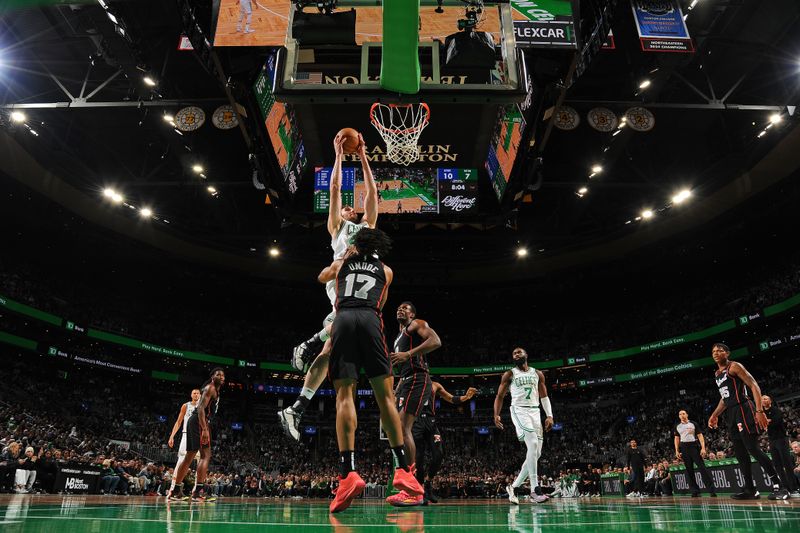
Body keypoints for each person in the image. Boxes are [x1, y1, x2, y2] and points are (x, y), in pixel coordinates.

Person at [280, 132, 378, 440]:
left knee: (331, 349)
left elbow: (373, 194)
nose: (350, 207)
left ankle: (295, 408)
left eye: (352, 207)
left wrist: (363, 155)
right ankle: (307, 343)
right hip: (341, 280)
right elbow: (335, 188)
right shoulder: (337, 228)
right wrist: (338, 154)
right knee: (345, 321)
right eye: (346, 208)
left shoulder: (368, 229)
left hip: (360, 283)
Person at [317, 228, 423, 513]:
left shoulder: (341, 263)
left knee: (344, 397)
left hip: (343, 319)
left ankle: (347, 473)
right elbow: (382, 302)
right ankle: (403, 469)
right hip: (370, 319)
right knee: (386, 397)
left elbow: (322, 277)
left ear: (355, 245)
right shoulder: (386, 270)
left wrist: (343, 256)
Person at [707, 343, 788, 500]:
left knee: (753, 448)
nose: (716, 353)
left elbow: (754, 385)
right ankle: (750, 489)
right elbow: (724, 399)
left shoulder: (734, 366)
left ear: (727, 353)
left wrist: (759, 411)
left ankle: (780, 486)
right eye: (713, 351)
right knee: (740, 453)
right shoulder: (717, 374)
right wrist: (714, 414)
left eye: (720, 350)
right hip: (731, 412)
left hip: (744, 409)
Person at [386, 302, 442, 507]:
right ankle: (410, 487)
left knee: (403, 428)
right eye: (398, 307)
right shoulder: (398, 337)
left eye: (405, 308)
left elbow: (436, 341)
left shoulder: (415, 325)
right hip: (408, 380)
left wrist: (408, 354)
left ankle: (413, 489)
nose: (400, 309)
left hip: (419, 379)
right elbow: (403, 366)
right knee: (400, 430)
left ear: (412, 314)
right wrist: (396, 389)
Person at [494, 347, 554, 505]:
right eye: (513, 353)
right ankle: (535, 489)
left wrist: (549, 415)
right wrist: (496, 414)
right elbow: (500, 396)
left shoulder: (537, 373)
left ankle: (513, 487)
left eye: (519, 352)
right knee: (533, 444)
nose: (516, 354)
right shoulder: (510, 374)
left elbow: (544, 395)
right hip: (519, 410)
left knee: (536, 453)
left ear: (526, 355)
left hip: (535, 411)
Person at [410, 381, 477, 505]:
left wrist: (466, 397)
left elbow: (451, 398)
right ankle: (420, 491)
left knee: (439, 454)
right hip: (416, 422)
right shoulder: (411, 383)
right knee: (419, 457)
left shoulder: (435, 385)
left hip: (431, 422)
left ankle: (428, 482)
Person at [171, 368, 225, 502]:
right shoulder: (210, 388)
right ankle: (195, 492)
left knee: (195, 456)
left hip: (199, 422)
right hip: (198, 422)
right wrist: (205, 429)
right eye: (218, 374)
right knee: (202, 455)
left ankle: (178, 491)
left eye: (223, 375)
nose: (222, 377)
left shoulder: (215, 390)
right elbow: (201, 408)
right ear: (213, 377)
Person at [165, 388, 200, 500]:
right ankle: (172, 490)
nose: (196, 394)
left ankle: (196, 492)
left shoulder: (203, 407)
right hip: (187, 435)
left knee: (201, 463)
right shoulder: (186, 405)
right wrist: (172, 436)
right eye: (194, 393)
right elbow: (179, 422)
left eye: (198, 393)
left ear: (200, 395)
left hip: (199, 437)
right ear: (191, 395)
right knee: (181, 462)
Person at [762, 395, 800, 497]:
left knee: (787, 464)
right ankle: (785, 488)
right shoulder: (761, 413)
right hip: (772, 440)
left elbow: (776, 422)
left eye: (765, 398)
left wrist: (766, 422)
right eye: (761, 399)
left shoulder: (776, 410)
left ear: (770, 401)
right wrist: (766, 422)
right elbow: (761, 425)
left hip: (781, 439)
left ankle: (794, 489)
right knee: (777, 465)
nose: (763, 400)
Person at [673, 409, 717, 497]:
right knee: (689, 470)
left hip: (693, 446)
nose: (682, 415)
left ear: (687, 415)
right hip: (684, 448)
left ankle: (711, 490)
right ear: (679, 416)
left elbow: (700, 435)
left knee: (702, 468)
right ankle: (695, 490)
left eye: (683, 413)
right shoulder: (677, 426)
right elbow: (676, 438)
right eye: (680, 414)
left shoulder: (693, 424)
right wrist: (677, 450)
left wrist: (703, 448)